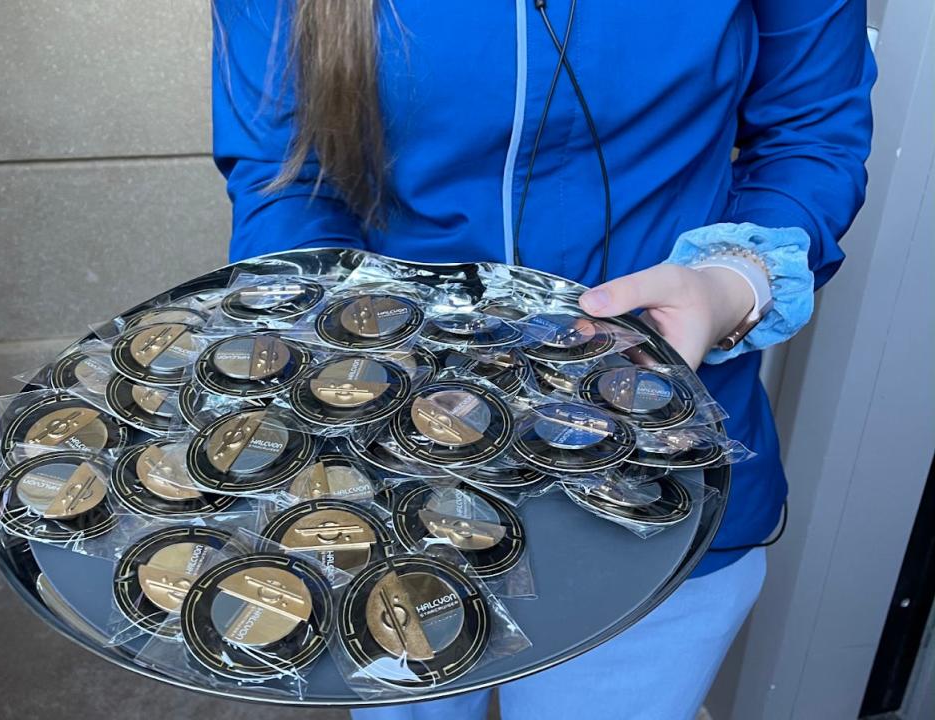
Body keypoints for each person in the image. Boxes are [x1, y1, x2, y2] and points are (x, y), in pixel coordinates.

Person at [210, 1, 875, 717]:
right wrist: (345, 356)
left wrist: (735, 282)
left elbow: (811, 131)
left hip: (660, 476)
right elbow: (286, 182)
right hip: (395, 476)